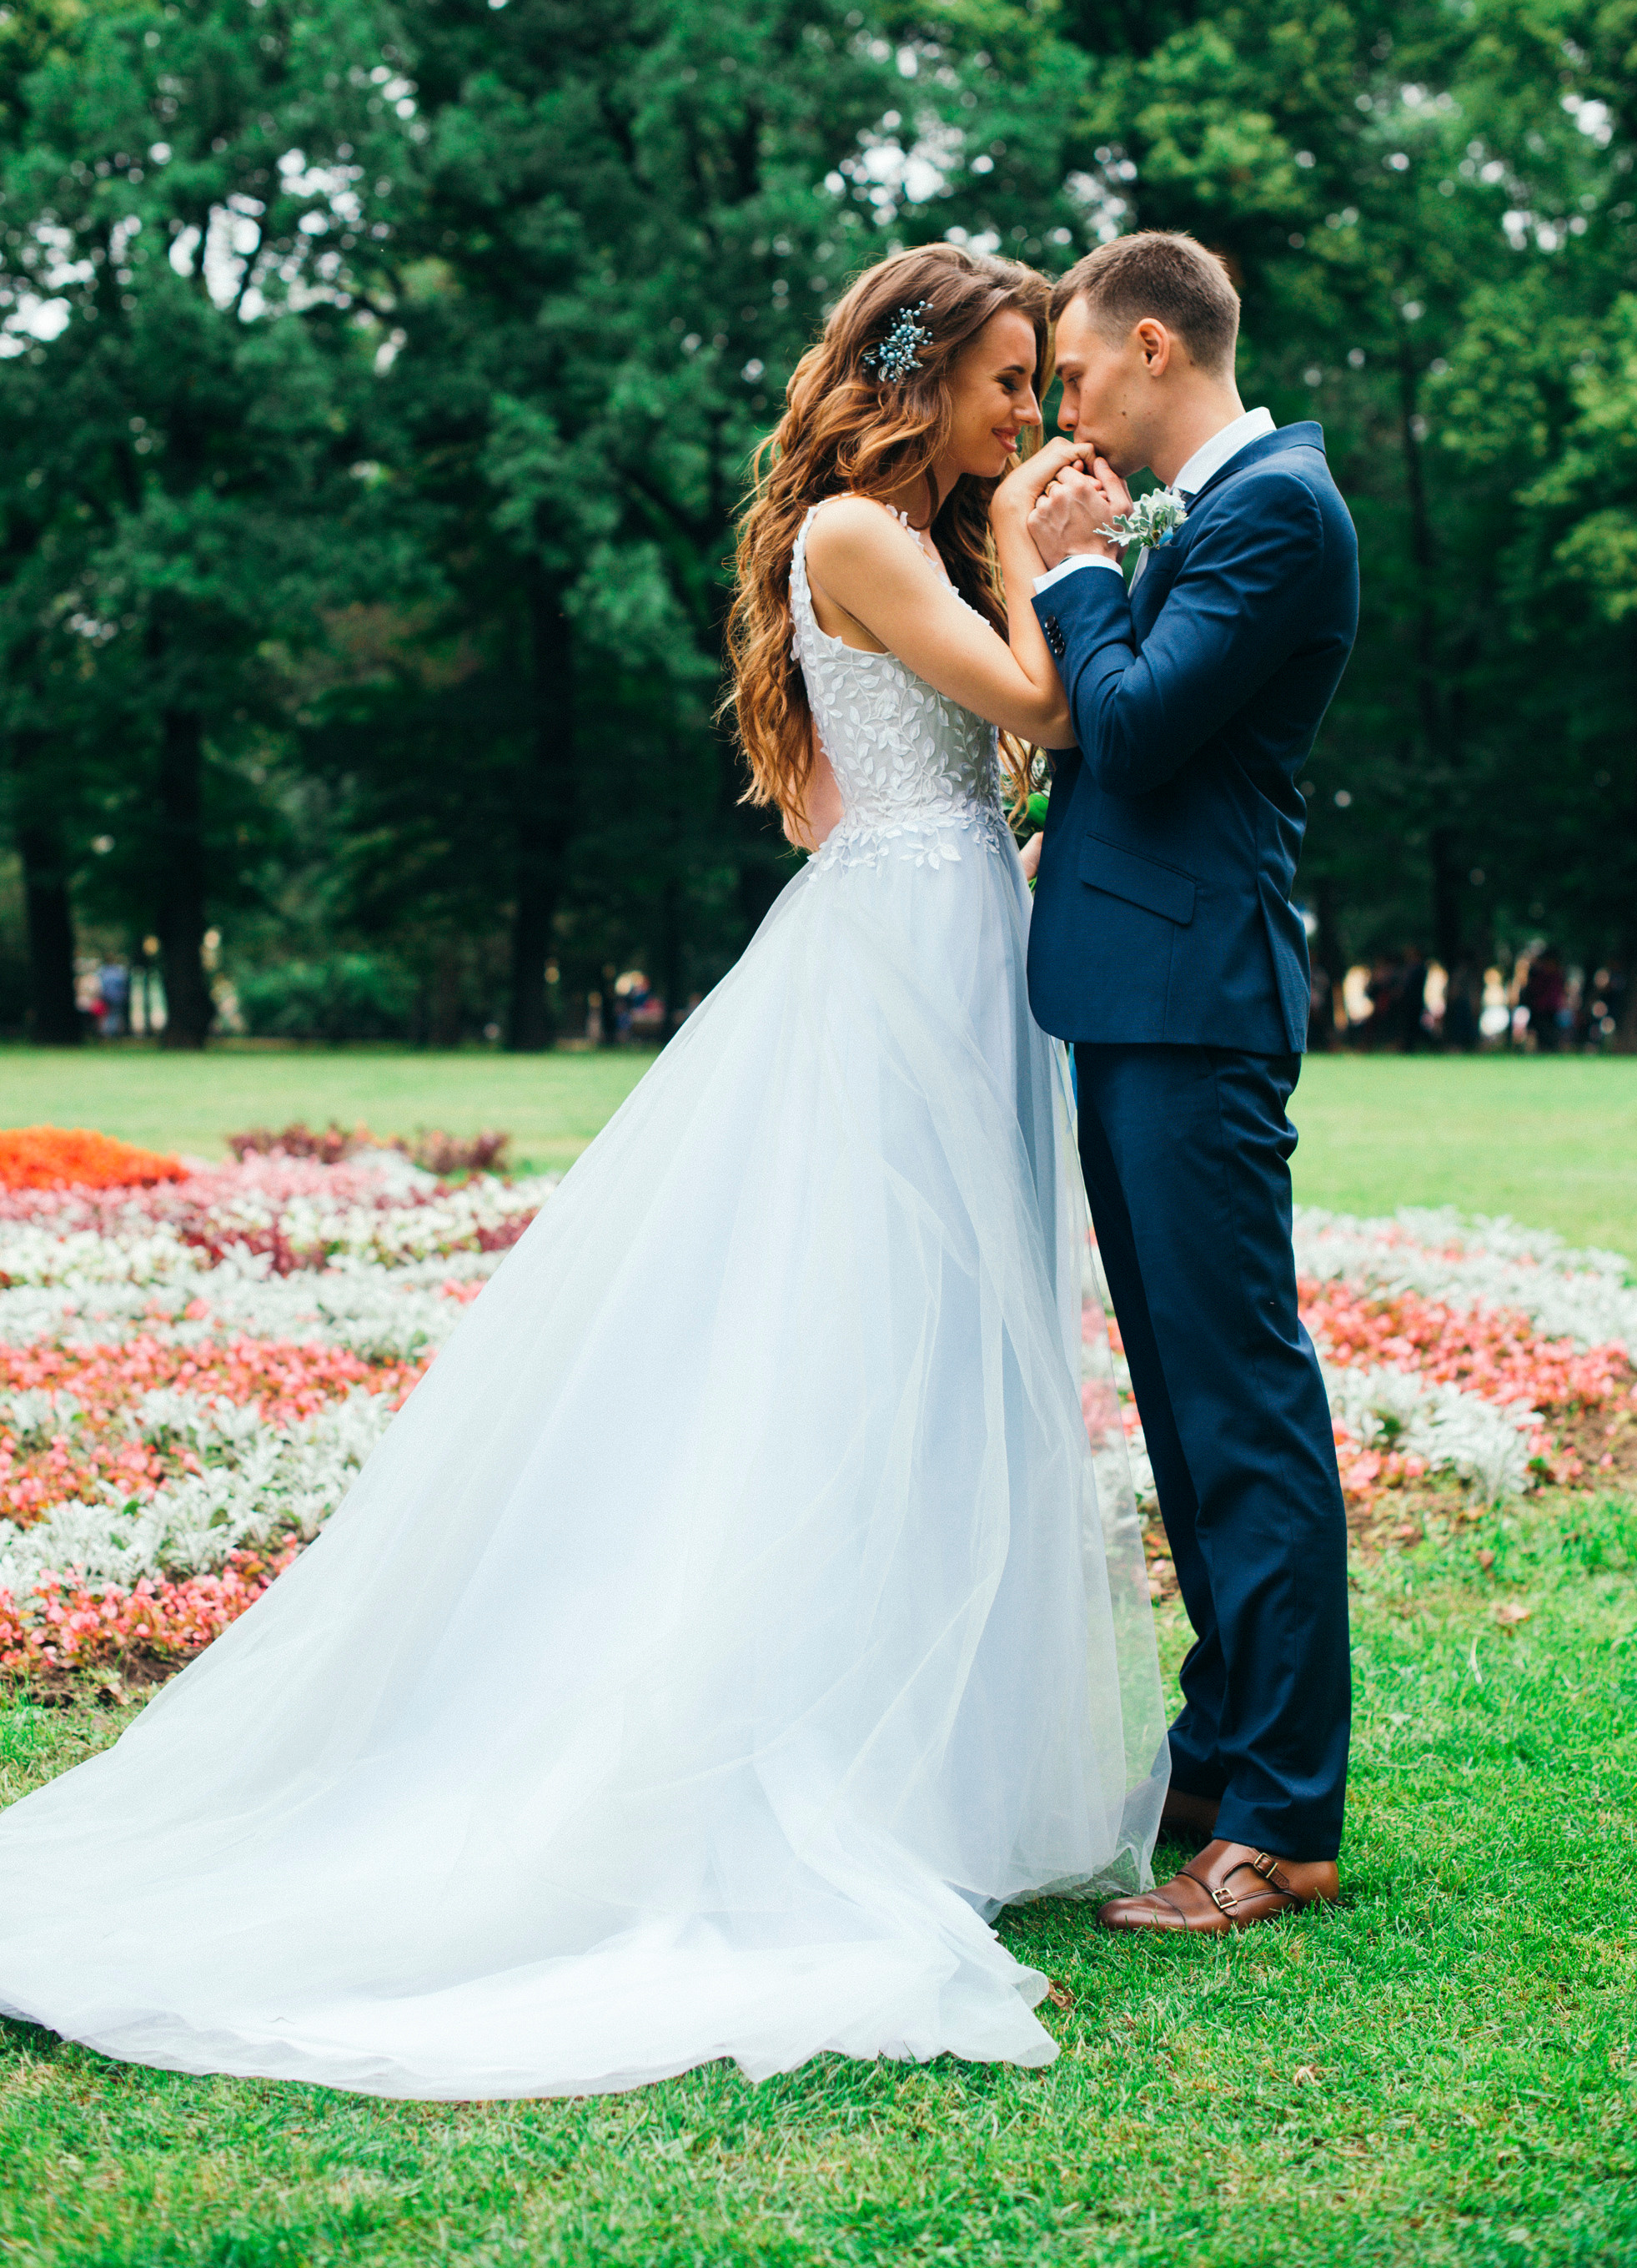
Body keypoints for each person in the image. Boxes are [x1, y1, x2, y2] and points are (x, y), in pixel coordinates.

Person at [0, 245, 1165, 2100]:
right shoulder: (862, 534)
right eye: (1006, 380)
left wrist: (1011, 594)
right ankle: (800, 1759)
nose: (1028, 413)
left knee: (946, 1349)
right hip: (899, 967)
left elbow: (908, 778)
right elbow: (1050, 711)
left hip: (956, 943)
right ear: (920, 377)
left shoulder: (915, 542)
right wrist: (1050, 555)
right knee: (862, 1344)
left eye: (1038, 383)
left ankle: (933, 1763)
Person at [1006, 231, 1358, 1935]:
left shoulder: (1278, 510)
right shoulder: (1208, 515)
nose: (1060, 411)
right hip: (1138, 1000)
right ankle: (1218, 1760)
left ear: (1155, 346)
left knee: (1241, 1411)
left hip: (1198, 1005)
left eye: (1073, 373)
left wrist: (1079, 572)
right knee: (1183, 1404)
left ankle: (1281, 1821)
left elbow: (1138, 727)